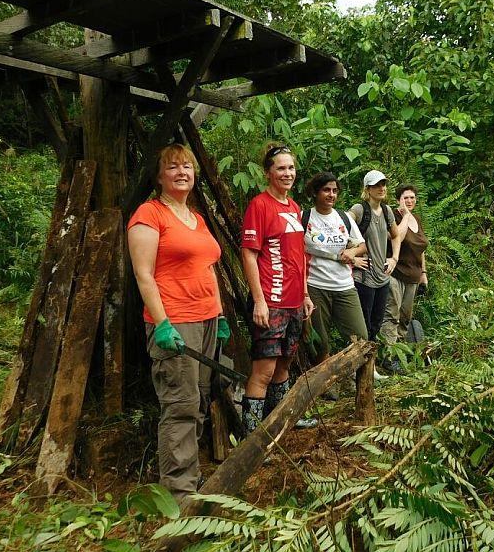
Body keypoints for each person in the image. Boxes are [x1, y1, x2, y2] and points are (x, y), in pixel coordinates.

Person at [127, 144, 222, 505]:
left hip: (207, 319)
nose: (182, 172)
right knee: (180, 404)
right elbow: (143, 274)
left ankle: (192, 477)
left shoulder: (195, 217)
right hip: (176, 322)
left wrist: (222, 317)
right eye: (173, 167)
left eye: (187, 166)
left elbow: (208, 268)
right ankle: (180, 494)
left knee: (197, 401)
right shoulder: (149, 214)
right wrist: (163, 323)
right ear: (158, 176)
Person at [240, 143, 316, 434]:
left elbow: (299, 256)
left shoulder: (294, 207)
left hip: (295, 301)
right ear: (268, 173)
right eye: (281, 168)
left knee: (285, 365)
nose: (287, 173)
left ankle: (282, 422)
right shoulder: (259, 205)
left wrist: (306, 295)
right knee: (264, 369)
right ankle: (253, 437)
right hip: (270, 300)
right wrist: (258, 300)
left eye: (291, 168)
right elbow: (248, 253)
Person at [302, 172, 369, 367]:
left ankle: (357, 378)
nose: (331, 195)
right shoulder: (304, 217)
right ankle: (324, 384)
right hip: (315, 285)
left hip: (344, 285)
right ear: (315, 192)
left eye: (335, 191)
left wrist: (353, 252)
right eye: (326, 190)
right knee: (320, 342)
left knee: (360, 337)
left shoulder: (344, 218)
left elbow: (362, 245)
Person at [348, 170, 404, 345]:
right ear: (368, 188)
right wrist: (353, 257)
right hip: (364, 278)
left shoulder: (387, 211)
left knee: (376, 325)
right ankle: (356, 366)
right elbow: (340, 228)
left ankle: (369, 368)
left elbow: (395, 236)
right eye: (376, 185)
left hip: (382, 278)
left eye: (383, 184)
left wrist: (394, 258)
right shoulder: (359, 210)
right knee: (362, 326)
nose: (381, 188)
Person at [381, 183, 429, 372]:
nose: (409, 201)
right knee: (391, 314)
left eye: (412, 198)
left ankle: (398, 354)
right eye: (405, 198)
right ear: (398, 200)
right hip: (396, 273)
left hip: (413, 276)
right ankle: (388, 355)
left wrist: (424, 273)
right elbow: (397, 239)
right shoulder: (394, 216)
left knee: (405, 317)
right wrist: (405, 216)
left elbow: (421, 249)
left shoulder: (417, 219)